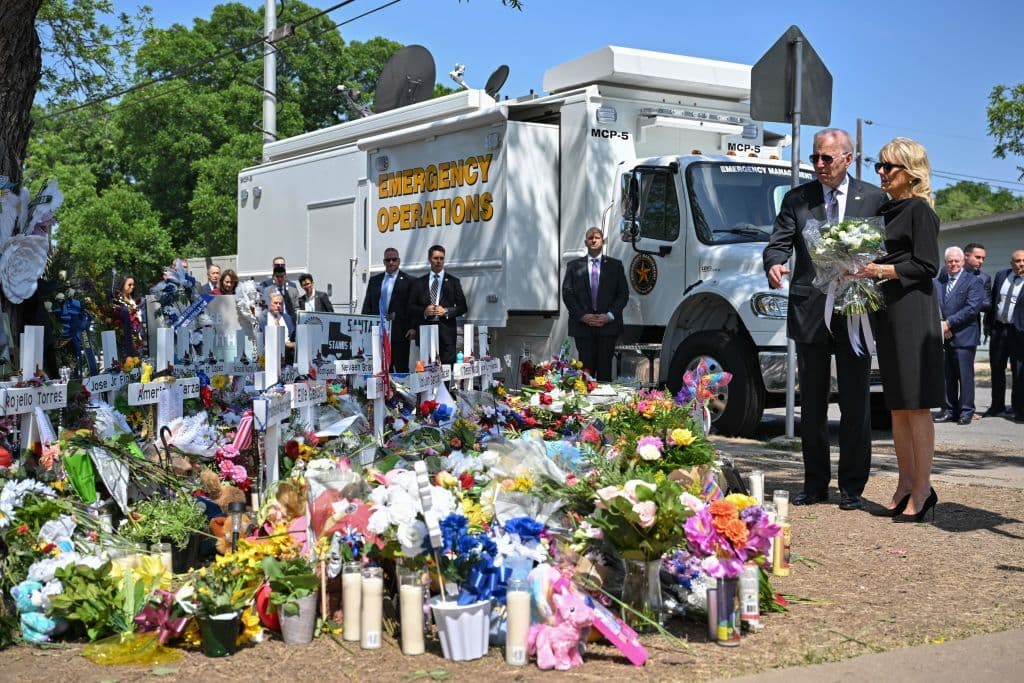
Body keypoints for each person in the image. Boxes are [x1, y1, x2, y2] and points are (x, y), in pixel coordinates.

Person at [763, 128, 886, 511]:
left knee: (855, 402)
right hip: (811, 309)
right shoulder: (798, 198)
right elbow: (778, 240)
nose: (818, 165)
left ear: (848, 159)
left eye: (826, 158)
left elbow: (886, 247)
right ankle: (815, 483)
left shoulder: (874, 199)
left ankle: (852, 486)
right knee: (812, 403)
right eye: (815, 157)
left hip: (855, 311)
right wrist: (775, 263)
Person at [855, 137, 944, 522]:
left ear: (910, 172)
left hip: (913, 310)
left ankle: (923, 488)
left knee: (916, 403)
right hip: (888, 309)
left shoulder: (919, 211)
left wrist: (880, 270)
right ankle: (905, 481)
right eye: (879, 165)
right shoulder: (888, 210)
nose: (881, 173)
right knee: (896, 403)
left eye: (888, 167)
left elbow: (927, 265)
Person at [562, 227, 629, 382]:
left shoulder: (615, 266)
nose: (593, 240)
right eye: (590, 238)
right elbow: (568, 294)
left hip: (607, 327)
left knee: (605, 372)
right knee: (585, 374)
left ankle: (604, 405)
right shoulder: (574, 266)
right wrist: (582, 316)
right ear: (585, 242)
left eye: (597, 237)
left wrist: (610, 315)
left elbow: (623, 295)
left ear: (603, 241)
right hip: (583, 328)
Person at [933, 246, 985, 425]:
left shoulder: (973, 281)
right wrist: (942, 325)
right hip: (944, 335)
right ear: (945, 263)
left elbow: (972, 308)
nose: (953, 264)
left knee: (965, 376)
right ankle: (948, 409)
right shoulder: (938, 281)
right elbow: (934, 305)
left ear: (963, 262)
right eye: (950, 261)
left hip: (964, 336)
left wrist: (949, 323)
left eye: (957, 261)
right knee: (947, 376)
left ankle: (966, 411)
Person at [408, 244, 467, 365]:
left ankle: (445, 385)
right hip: (425, 333)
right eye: (436, 258)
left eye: (441, 258)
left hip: (446, 335)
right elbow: (411, 306)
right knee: (426, 372)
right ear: (429, 259)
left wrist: (446, 311)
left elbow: (463, 307)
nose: (439, 261)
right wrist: (424, 311)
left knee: (445, 371)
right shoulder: (419, 282)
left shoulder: (453, 282)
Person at [362, 248, 414, 372]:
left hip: (400, 333)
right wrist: (364, 326)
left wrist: (413, 327)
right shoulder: (374, 280)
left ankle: (400, 391)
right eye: (388, 260)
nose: (391, 262)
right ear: (384, 261)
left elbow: (412, 308)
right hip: (377, 332)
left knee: (401, 368)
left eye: (394, 259)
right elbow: (367, 305)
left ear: (399, 261)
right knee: (380, 368)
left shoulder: (409, 281)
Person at [988, 250, 1024, 422]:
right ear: (1011, 263)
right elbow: (994, 300)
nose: (1021, 264)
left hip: (1019, 333)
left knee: (1018, 371)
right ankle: (997, 406)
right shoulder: (1002, 275)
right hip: (999, 330)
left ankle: (1018, 408)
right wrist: (989, 326)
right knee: (996, 369)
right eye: (1017, 261)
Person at [259, 291, 296, 363]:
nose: (278, 305)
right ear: (269, 304)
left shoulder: (287, 318)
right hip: (268, 357)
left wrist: (292, 344)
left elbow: (294, 337)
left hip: (287, 357)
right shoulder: (262, 319)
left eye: (280, 303)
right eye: (275, 303)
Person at [113, 275, 143, 357]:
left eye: (133, 285)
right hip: (124, 338)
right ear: (122, 285)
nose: (132, 287)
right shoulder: (117, 301)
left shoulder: (133, 300)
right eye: (129, 285)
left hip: (137, 335)